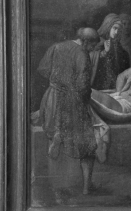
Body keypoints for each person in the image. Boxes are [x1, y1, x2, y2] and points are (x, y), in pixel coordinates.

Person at [37, 27, 99, 195]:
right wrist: (87, 100)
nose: (92, 50)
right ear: (85, 42)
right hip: (73, 100)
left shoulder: (56, 47)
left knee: (57, 134)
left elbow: (43, 69)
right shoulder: (82, 54)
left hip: (52, 98)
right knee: (87, 145)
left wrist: (58, 80)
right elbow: (83, 85)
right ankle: (86, 188)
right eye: (92, 46)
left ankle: (58, 135)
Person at [91, 13, 130, 90]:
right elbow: (89, 58)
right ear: (108, 27)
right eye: (115, 28)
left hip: (114, 85)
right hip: (100, 85)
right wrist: (104, 52)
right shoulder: (97, 42)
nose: (116, 32)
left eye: (119, 30)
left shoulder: (118, 46)